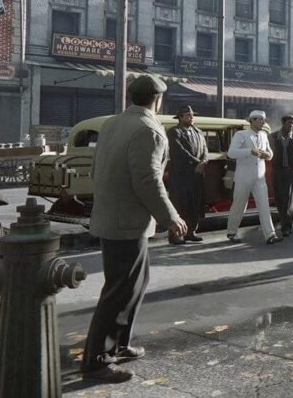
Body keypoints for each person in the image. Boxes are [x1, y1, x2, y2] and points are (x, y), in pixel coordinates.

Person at [81, 76, 187, 383]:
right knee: (120, 290)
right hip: (127, 220)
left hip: (112, 215)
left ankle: (121, 343)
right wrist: (171, 217)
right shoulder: (149, 130)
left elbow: (95, 168)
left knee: (134, 284)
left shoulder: (113, 124)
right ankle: (96, 359)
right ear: (157, 100)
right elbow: (148, 181)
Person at [226, 109, 279, 244]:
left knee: (264, 205)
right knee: (239, 205)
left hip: (260, 177)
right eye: (260, 119)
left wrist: (268, 155)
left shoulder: (263, 135)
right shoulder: (241, 134)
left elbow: (270, 153)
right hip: (243, 177)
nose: (263, 122)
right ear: (252, 120)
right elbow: (231, 153)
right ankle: (232, 232)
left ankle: (270, 234)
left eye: (263, 119)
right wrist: (250, 152)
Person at [166, 106, 208, 244]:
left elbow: (205, 149)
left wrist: (204, 161)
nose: (191, 117)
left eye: (192, 115)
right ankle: (175, 235)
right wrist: (197, 162)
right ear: (180, 117)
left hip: (196, 175)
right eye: (188, 115)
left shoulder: (198, 131)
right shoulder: (174, 132)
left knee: (194, 204)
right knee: (179, 204)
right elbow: (179, 151)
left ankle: (191, 231)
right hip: (181, 175)